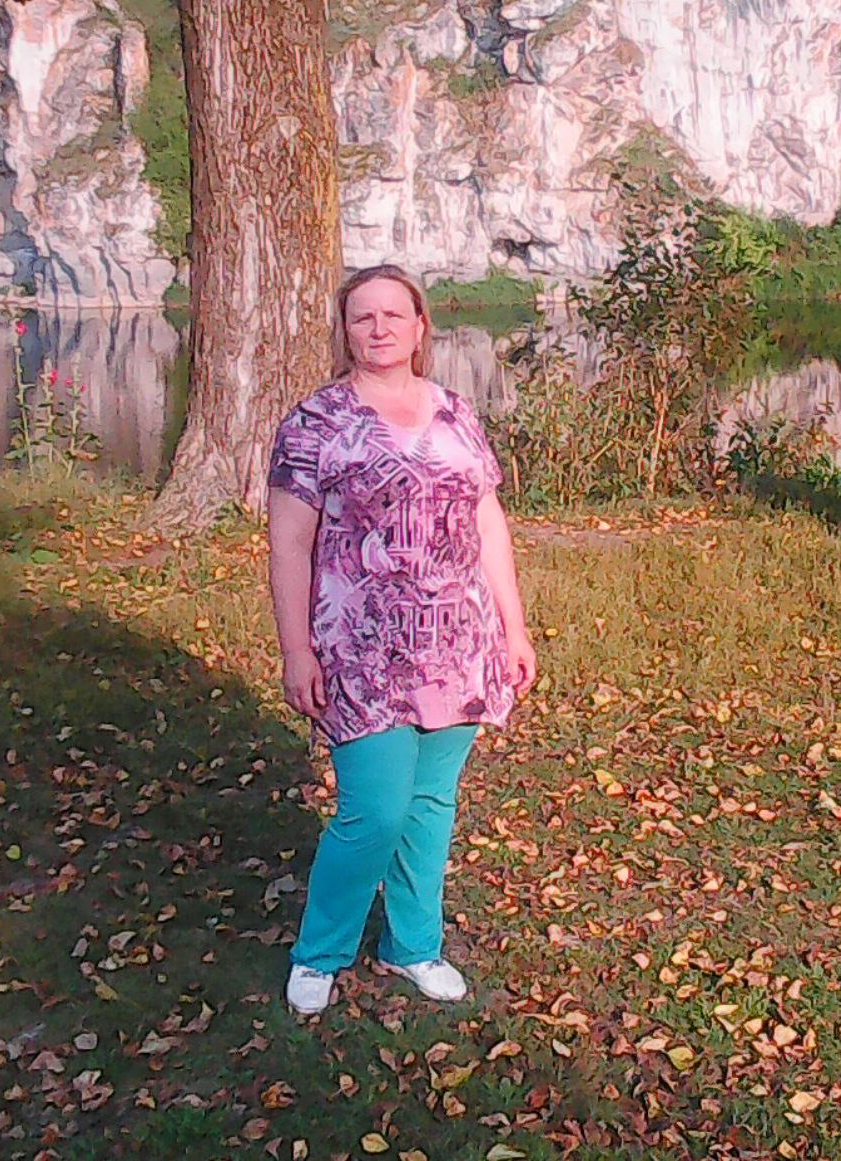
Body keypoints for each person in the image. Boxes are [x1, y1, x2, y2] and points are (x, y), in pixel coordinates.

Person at [267, 263, 536, 1016]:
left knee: (429, 803)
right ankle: (320, 952)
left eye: (394, 314)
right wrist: (296, 649)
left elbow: (487, 522)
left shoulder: (455, 412)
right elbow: (289, 543)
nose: (380, 327)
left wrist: (513, 627)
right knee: (375, 810)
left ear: (420, 328)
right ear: (346, 331)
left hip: (458, 639)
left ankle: (413, 944)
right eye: (364, 316)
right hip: (359, 647)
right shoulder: (315, 422)